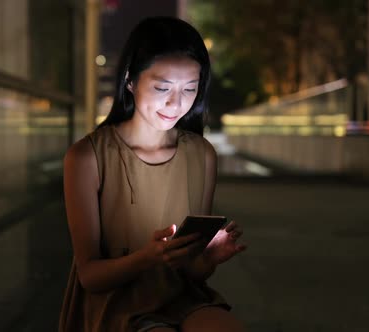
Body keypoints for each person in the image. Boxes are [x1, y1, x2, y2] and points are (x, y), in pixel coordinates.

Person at [59, 16, 247, 332]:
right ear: (130, 80)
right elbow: (89, 276)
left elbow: (192, 272)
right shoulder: (87, 157)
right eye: (162, 87)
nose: (177, 103)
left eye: (190, 88)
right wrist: (149, 257)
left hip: (180, 297)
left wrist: (207, 260)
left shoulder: (201, 154)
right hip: (113, 303)